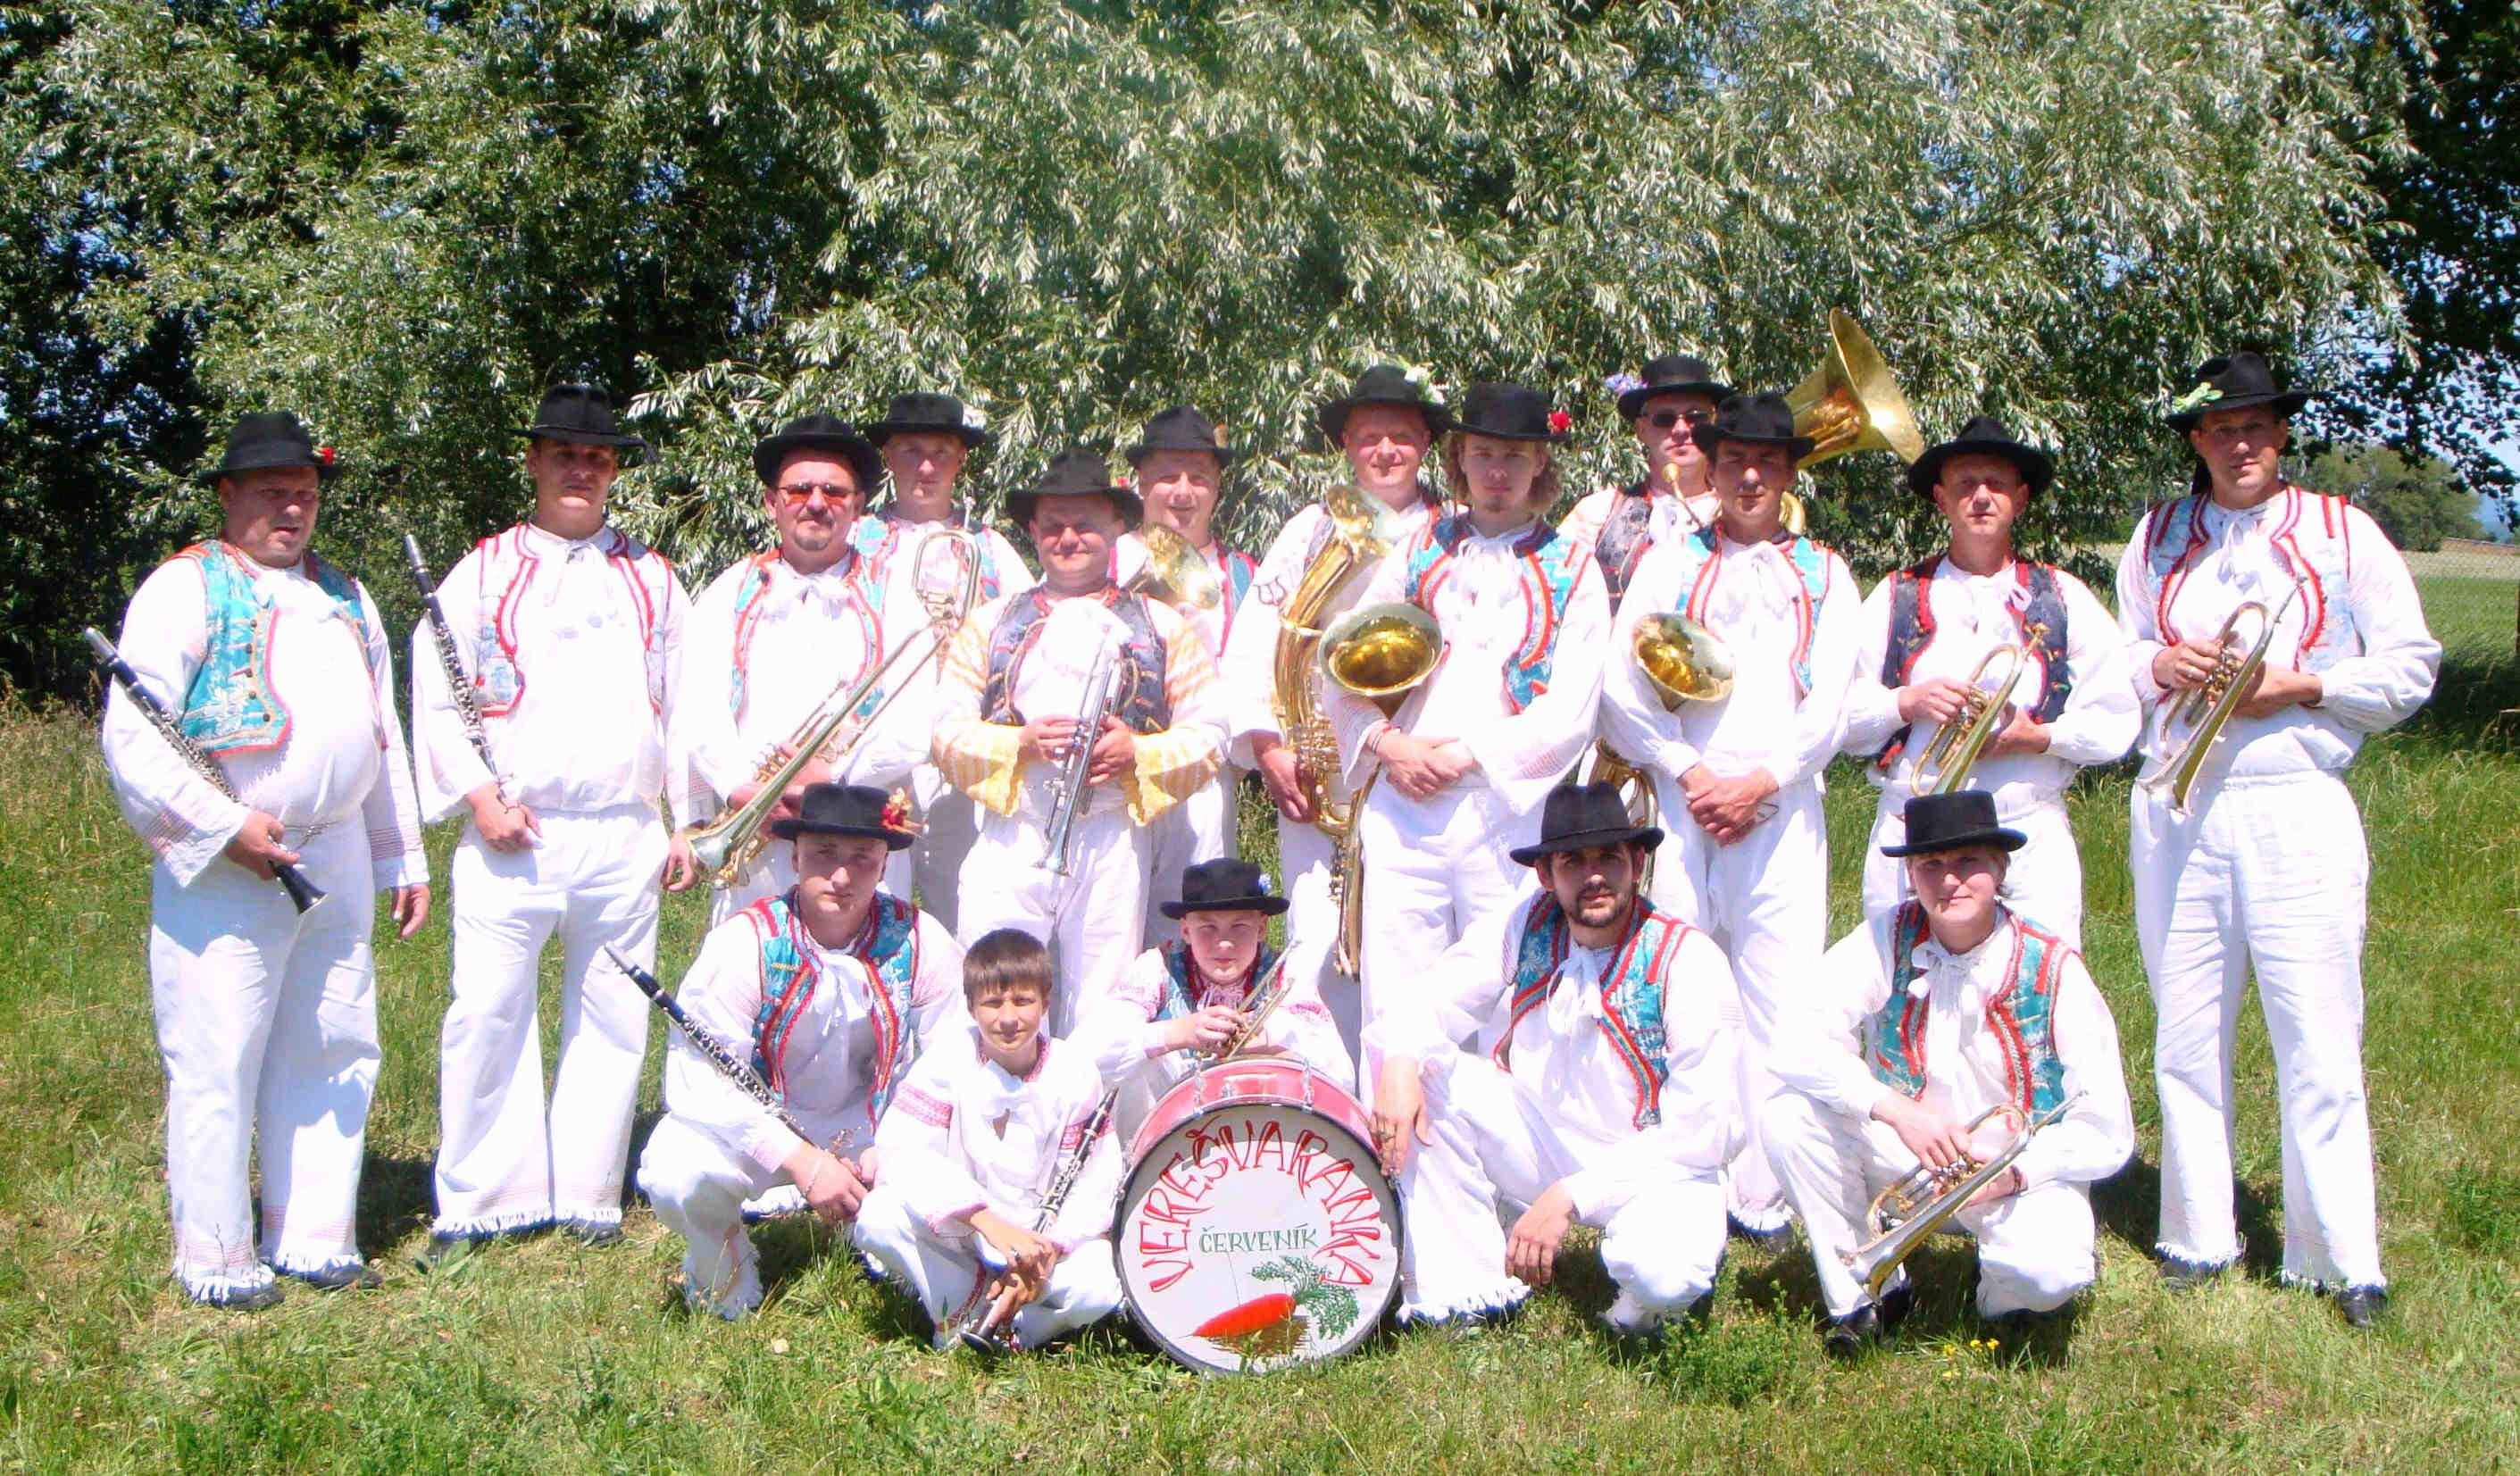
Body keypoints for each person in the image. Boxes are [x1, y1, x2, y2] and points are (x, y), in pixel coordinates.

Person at [2115, 351, 2439, 1327]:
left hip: (2296, 799)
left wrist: (2302, 684)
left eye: (2255, 425)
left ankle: (2337, 1256)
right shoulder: (2155, 534)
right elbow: (2114, 660)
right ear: (2196, 439)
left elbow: (2412, 666)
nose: (2240, 443)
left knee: (2317, 1034)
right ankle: (2197, 1234)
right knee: (2183, 1030)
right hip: (2178, 806)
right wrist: (2160, 663)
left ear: (2282, 432)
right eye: (2220, 429)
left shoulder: (2344, 531)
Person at [98, 412, 430, 1308]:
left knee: (335, 1039)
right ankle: (214, 1253)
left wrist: (401, 856)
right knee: (220, 1051)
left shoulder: (348, 595)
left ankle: (313, 1233)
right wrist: (223, 827)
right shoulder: (183, 589)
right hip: (229, 864)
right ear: (227, 495)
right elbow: (135, 735)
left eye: (306, 494)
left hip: (337, 849)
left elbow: (384, 735)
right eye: (274, 491)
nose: (293, 509)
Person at [410, 383, 697, 1254]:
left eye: (597, 458)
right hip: (513, 827)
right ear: (533, 462)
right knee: (488, 1011)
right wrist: (477, 795)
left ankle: (586, 1190)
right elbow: (436, 693)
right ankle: (482, 1198)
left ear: (613, 471)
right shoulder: (484, 570)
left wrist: (685, 819)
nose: (581, 470)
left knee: (612, 1011)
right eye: (565, 455)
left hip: (622, 829)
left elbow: (684, 706)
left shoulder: (651, 578)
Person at [1598, 389, 1861, 1238]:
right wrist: (1689, 771)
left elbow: (1830, 703)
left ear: (1788, 475)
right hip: (1685, 805)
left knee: (1780, 995)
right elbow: (1619, 684)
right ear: (1710, 470)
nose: (1750, 477)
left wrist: (1763, 781)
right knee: (1685, 991)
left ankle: (1765, 1187)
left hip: (1780, 810)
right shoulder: (1669, 562)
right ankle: (1687, 1176)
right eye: (1736, 462)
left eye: (1768, 464)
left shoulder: (1826, 572)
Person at [1762, 790, 2133, 1355]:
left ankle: (2000, 1299)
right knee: (1789, 1118)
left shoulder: (2055, 965)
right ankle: (1867, 1296)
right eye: (1931, 865)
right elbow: (1792, 1038)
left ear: (2000, 869)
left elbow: (2107, 1128)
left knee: (2050, 1273)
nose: (1950, 880)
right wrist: (1894, 1110)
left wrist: (2014, 1172)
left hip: (2011, 1170)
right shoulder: (1888, 936)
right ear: (1911, 875)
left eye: (1968, 862)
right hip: (1911, 1152)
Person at [1366, 782, 1741, 1334]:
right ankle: (1466, 1291)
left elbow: (1701, 1131)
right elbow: (1433, 998)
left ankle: (1634, 1309)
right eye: (1573, 862)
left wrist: (1571, 1197)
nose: (1594, 876)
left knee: (1662, 1278)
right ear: (1545, 874)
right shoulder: (1528, 922)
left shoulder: (1688, 959)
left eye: (1609, 858)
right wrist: (1400, 1063)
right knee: (1426, 1069)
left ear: (1637, 863)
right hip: (1544, 1141)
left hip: (1660, 1165)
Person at [1327, 382, 1610, 1031]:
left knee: (1504, 995)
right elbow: (1340, 665)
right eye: (1483, 453)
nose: (1497, 472)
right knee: (1396, 1000)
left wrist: (1466, 754)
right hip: (1406, 802)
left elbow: (1573, 709)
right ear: (1459, 457)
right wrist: (1387, 745)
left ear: (1540, 462)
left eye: (1514, 456)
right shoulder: (1418, 550)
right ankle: (1394, 1102)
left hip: (1507, 809)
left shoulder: (1573, 567)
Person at [635, 783, 967, 1319]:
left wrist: (900, 1143)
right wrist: (800, 1160)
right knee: (679, 1170)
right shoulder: (743, 942)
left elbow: (954, 1060)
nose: (842, 876)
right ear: (795, 858)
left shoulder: (921, 939)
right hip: (763, 1128)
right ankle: (724, 1269)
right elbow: (700, 1078)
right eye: (824, 854)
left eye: (863, 858)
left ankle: (900, 1248)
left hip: (877, 1131)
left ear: (884, 865)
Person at [930, 451, 1228, 1037]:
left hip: (1110, 835)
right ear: (1033, 530)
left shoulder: (1163, 624)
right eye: (1054, 525)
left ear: (1116, 528)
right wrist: (1019, 743)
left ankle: (1095, 1101)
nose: (1069, 538)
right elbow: (944, 730)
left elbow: (1212, 732)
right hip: (1014, 830)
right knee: (997, 991)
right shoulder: (989, 622)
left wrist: (1137, 753)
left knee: (1104, 1000)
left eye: (1085, 525)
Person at [1221, 364, 1451, 1059]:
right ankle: (1322, 1091)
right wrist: (1268, 747)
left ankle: (1410, 1093)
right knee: (1316, 943)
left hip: (1416, 760)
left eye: (1401, 436)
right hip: (1321, 771)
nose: (1386, 451)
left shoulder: (1451, 531)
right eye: (1370, 436)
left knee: (1414, 940)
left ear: (1425, 444)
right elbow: (1255, 640)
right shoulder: (1311, 527)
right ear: (1347, 444)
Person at [1840, 416, 2137, 948]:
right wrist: (1906, 702)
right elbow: (1840, 720)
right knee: (1904, 980)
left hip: (2028, 828)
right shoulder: (1894, 595)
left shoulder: (2063, 595)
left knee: (2039, 978)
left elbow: (2117, 719)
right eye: (1965, 484)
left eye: (1996, 484)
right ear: (1941, 498)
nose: (1980, 497)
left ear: (2020, 499)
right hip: (1914, 829)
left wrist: (2039, 737)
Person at [677, 416, 930, 920]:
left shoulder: (898, 600)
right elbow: (698, 712)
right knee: (754, 957)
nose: (816, 503)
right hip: (759, 828)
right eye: (799, 490)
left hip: (858, 833)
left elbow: (914, 725)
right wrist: (745, 791)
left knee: (864, 962)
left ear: (857, 506)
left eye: (834, 492)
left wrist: (833, 777)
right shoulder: (727, 593)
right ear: (772, 502)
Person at [854, 929, 1126, 1352]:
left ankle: (1019, 1331)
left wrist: (1046, 1252)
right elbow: (904, 1153)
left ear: (1046, 1001)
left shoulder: (1075, 1071)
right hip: (965, 1230)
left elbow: (1095, 1184)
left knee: (1100, 1286)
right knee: (878, 1216)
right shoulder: (948, 1058)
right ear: (970, 1007)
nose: (1008, 1018)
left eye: (1023, 1001)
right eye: (993, 1003)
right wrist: (986, 1222)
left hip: (1040, 1242)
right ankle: (963, 1307)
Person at [859, 392, 1037, 932]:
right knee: (871, 889)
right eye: (911, 452)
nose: (926, 467)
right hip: (874, 743)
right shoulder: (856, 541)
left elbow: (1030, 640)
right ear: (888, 457)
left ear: (960, 460)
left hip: (963, 748)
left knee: (962, 898)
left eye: (941, 453)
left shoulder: (993, 549)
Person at [1084, 858, 1355, 1142]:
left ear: (1261, 928)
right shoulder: (1157, 967)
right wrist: (1178, 1033)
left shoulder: (1285, 974)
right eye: (1207, 928)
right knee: (1140, 1065)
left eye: (1239, 926)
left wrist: (1272, 1043)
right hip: (1168, 1139)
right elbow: (1088, 1054)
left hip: (1263, 1133)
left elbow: (1342, 1076)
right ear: (1185, 930)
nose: (1224, 943)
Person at [1118, 406, 1259, 941]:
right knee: (1107, 929)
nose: (1183, 492)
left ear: (1217, 486)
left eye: (1198, 477)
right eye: (1167, 476)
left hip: (1201, 779)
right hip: (1114, 775)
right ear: (1141, 482)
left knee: (1194, 926)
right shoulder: (1105, 560)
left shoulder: (1244, 576)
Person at [1561, 354, 1731, 608]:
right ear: (1642, 430)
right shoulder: (1597, 512)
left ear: (1713, 423)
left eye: (1696, 417)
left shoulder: (1739, 516)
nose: (1681, 429)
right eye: (1664, 419)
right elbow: (1558, 597)